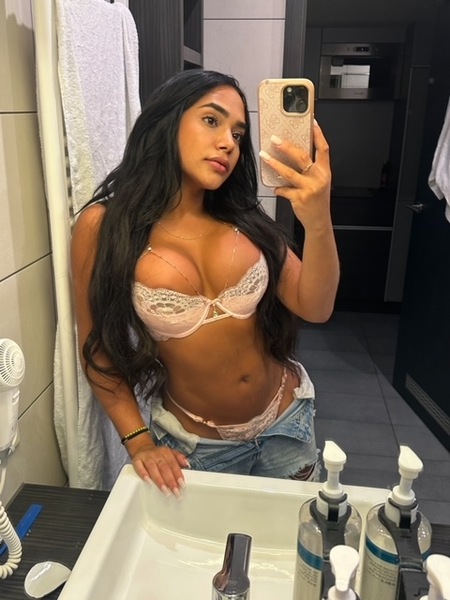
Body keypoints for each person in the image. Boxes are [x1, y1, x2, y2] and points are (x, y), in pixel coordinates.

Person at [71, 69, 339, 498]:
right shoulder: (103, 227)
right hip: (196, 447)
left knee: (291, 538)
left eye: (238, 133)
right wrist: (139, 441)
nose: (228, 143)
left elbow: (316, 306)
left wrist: (319, 220)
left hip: (287, 425)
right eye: (211, 120)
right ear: (166, 121)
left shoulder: (245, 220)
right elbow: (96, 347)